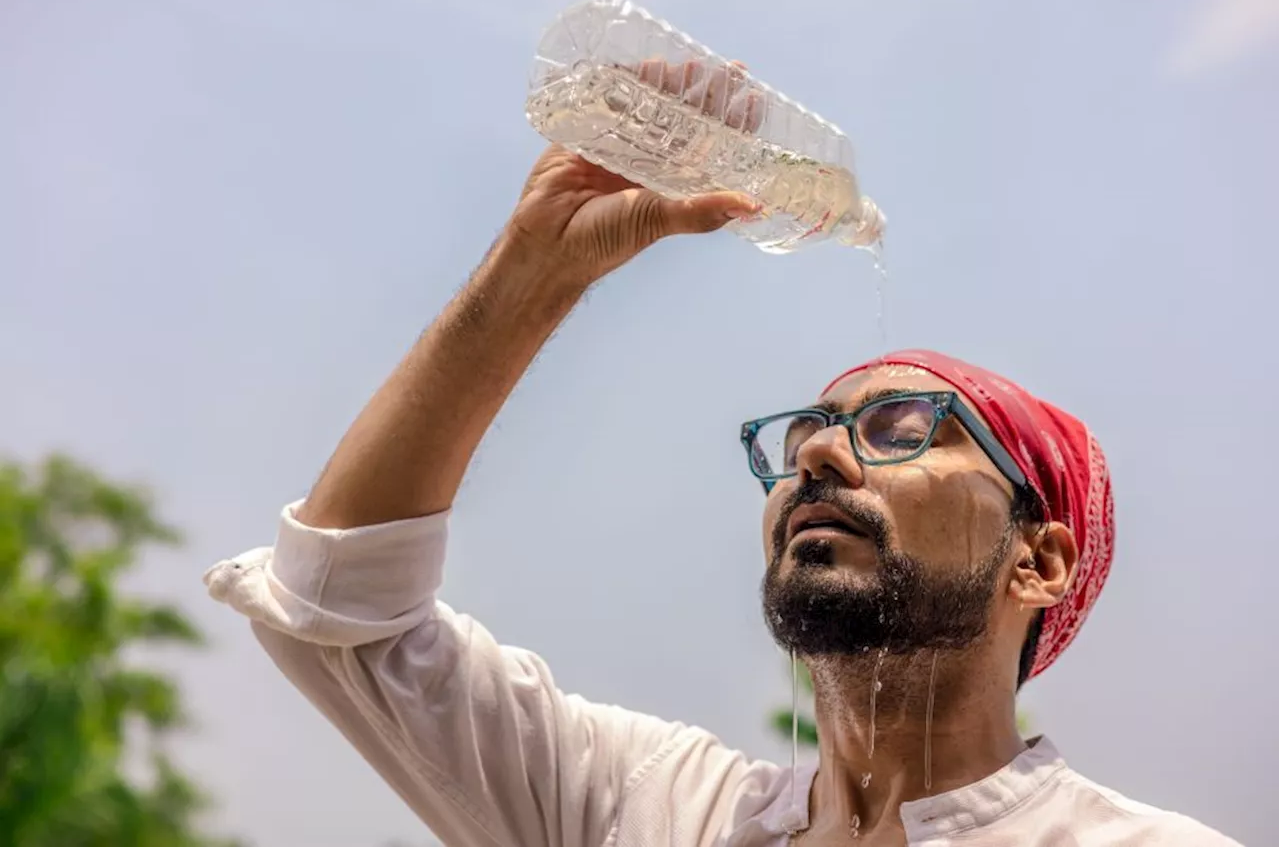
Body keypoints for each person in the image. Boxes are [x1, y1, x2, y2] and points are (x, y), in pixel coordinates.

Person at [205, 145, 1240, 846]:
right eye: (803, 439)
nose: (820, 460)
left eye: (897, 430)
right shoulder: (653, 807)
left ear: (1038, 560)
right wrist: (533, 271)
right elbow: (334, 610)